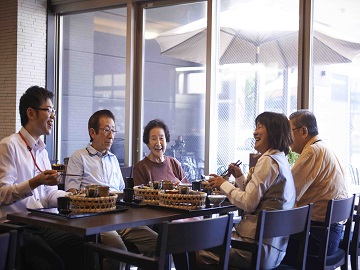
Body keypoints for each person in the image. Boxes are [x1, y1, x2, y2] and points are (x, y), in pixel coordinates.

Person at [0, 86, 84, 270]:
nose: (53, 116)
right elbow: (2, 195)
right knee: (52, 263)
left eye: (53, 110)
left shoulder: (42, 151)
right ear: (31, 113)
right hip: (15, 226)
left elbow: (48, 196)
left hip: (41, 223)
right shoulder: (9, 146)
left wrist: (74, 198)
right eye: (49, 110)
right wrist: (35, 182)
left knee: (82, 247)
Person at [65, 109, 157, 270]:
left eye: (113, 130)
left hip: (119, 215)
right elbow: (71, 191)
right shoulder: (79, 157)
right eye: (106, 130)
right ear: (92, 132)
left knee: (157, 241)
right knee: (117, 249)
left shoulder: (113, 159)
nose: (111, 135)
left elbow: (121, 190)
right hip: (93, 218)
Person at [202, 111, 296, 269]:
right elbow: (257, 196)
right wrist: (239, 177)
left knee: (190, 243)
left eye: (259, 127)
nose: (254, 132)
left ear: (273, 131)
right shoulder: (280, 160)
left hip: (253, 250)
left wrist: (222, 183)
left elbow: (248, 203)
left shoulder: (267, 160)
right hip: (274, 250)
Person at [289, 109, 348, 256]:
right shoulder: (324, 147)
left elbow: (289, 192)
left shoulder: (312, 151)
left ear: (303, 131)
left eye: (289, 132)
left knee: (265, 247)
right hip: (331, 235)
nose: (287, 139)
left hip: (319, 237)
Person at [133, 119, 189, 186]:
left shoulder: (174, 163)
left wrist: (181, 186)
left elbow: (188, 190)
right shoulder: (140, 168)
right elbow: (140, 195)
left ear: (166, 141)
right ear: (147, 143)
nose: (158, 143)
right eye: (154, 139)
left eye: (161, 138)